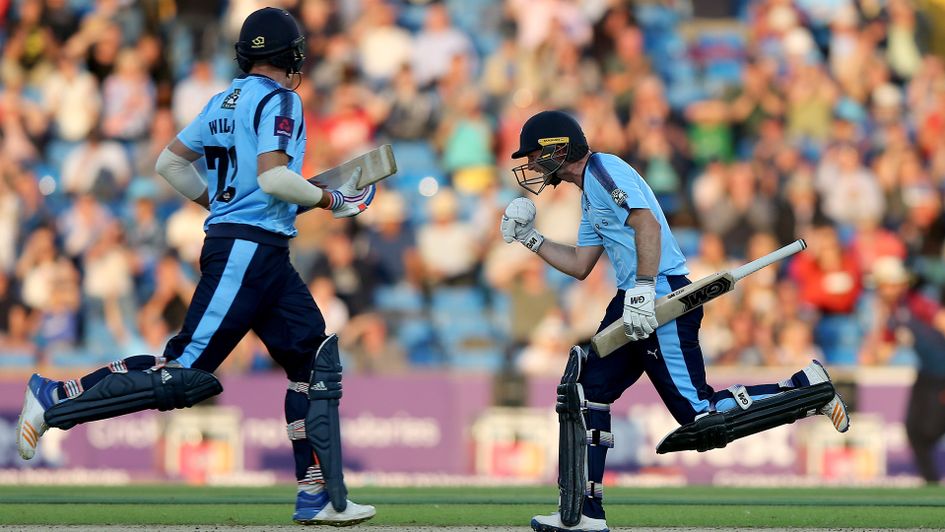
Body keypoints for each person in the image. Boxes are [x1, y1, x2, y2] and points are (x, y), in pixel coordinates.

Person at [15, 7, 376, 526]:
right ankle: (54, 398)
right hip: (247, 249)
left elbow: (169, 163)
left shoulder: (221, 100)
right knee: (184, 375)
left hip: (261, 249)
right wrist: (332, 200)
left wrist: (219, 202)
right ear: (289, 54)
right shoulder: (282, 99)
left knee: (313, 365)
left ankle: (316, 496)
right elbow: (274, 180)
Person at [500, 110, 850, 532]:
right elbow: (579, 265)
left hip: (659, 295)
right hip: (633, 296)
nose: (532, 165)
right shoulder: (589, 193)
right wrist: (530, 239)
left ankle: (805, 388)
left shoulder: (604, 169)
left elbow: (646, 222)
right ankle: (584, 515)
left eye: (536, 155)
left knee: (700, 417)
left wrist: (646, 287)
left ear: (558, 148)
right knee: (584, 390)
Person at [862, 256, 945, 484]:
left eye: (885, 284)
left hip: (942, 374)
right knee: (913, 431)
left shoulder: (916, 303)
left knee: (930, 429)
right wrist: (879, 319)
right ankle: (931, 483)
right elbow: (877, 355)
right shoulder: (893, 313)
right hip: (927, 374)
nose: (881, 290)